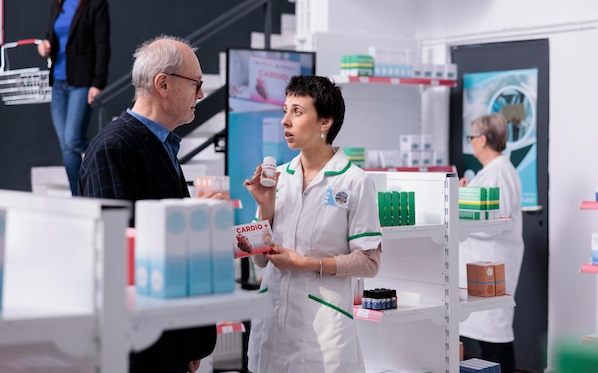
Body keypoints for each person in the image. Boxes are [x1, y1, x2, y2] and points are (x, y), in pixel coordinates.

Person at [79, 35, 217, 373]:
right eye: (196, 84)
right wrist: (198, 218)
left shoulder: (160, 144)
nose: (201, 94)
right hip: (141, 350)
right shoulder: (114, 149)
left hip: (169, 344)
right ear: (163, 84)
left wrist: (188, 341)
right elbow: (121, 258)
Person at [243, 75, 383, 373]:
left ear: (325, 122)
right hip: (272, 326)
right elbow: (259, 262)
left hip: (323, 327)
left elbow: (369, 262)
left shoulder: (355, 182)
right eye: (284, 110)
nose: (285, 121)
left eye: (297, 111)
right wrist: (265, 207)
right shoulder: (278, 178)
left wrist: (305, 263)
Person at [37, 0, 111, 196]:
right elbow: (52, 38)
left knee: (72, 140)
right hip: (58, 83)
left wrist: (97, 83)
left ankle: (115, 147)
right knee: (67, 146)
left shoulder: (96, 4)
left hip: (82, 82)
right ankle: (78, 196)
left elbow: (103, 46)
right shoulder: (56, 6)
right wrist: (45, 45)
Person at [459, 113, 524, 373]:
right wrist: (465, 194)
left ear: (483, 140)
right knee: (486, 337)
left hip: (492, 266)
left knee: (495, 337)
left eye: (472, 137)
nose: (471, 142)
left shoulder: (500, 174)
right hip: (482, 267)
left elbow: (495, 221)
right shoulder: (491, 173)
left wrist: (461, 204)